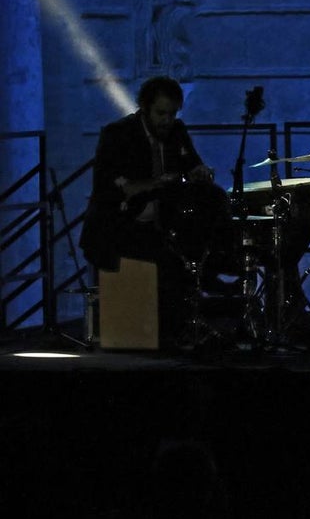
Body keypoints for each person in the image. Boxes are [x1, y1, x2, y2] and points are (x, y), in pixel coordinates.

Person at [80, 76, 233, 342]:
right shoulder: (118, 135)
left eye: (172, 114)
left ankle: (210, 275)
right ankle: (172, 328)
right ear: (144, 107)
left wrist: (198, 171)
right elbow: (109, 189)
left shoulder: (177, 132)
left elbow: (191, 163)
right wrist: (154, 184)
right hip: (119, 226)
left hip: (160, 225)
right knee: (169, 261)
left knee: (212, 204)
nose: (167, 120)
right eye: (161, 113)